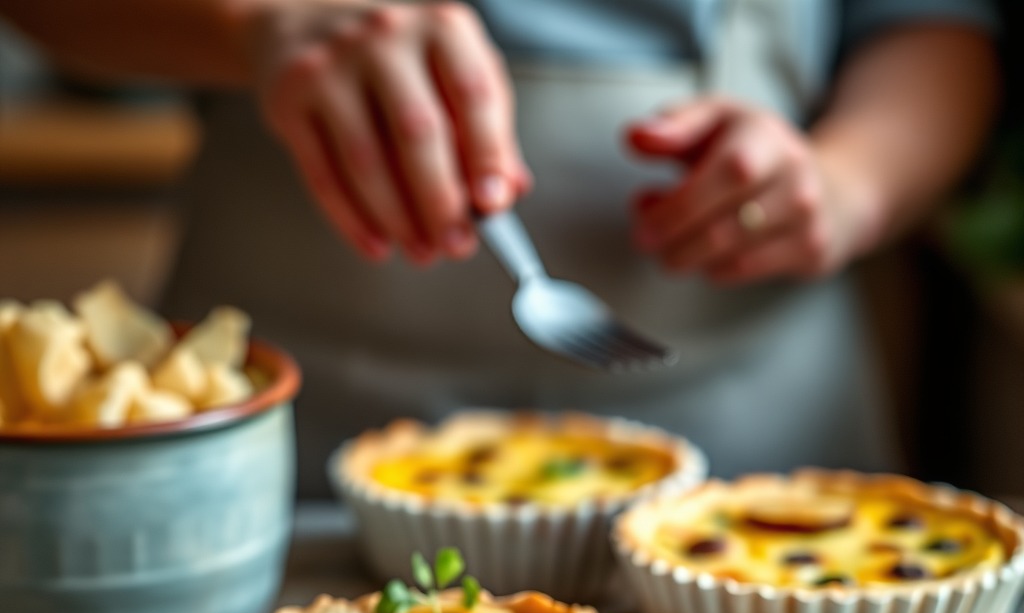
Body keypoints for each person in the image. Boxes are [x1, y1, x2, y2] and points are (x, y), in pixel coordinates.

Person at [1, 0, 1000, 495]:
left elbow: (934, 22)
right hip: (288, 445)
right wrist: (259, 20)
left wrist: (848, 181)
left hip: (755, 449)